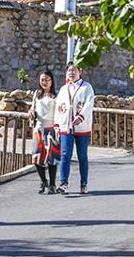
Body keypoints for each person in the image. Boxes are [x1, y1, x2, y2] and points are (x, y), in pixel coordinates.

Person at [54, 63, 95, 195]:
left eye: (74, 70)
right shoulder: (63, 89)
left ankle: (84, 184)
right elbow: (58, 108)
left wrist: (81, 116)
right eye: (69, 71)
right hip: (66, 127)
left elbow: (89, 104)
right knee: (65, 155)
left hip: (82, 127)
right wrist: (57, 125)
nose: (71, 73)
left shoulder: (86, 87)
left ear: (80, 71)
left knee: (82, 156)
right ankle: (63, 183)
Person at [28, 69, 60, 194]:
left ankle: (52, 184)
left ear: (52, 81)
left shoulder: (56, 96)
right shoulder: (37, 94)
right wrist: (31, 113)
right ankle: (43, 181)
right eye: (42, 80)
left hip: (51, 129)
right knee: (37, 157)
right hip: (39, 129)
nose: (44, 82)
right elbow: (33, 108)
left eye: (47, 80)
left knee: (51, 159)